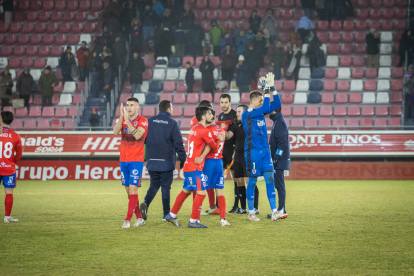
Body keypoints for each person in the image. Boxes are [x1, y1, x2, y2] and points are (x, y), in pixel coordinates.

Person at [165, 106, 224, 228]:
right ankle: (193, 221)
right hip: (195, 167)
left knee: (186, 191)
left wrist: (202, 155)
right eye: (209, 114)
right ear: (203, 117)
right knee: (202, 193)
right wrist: (219, 139)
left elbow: (205, 145)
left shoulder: (193, 129)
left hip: (189, 165)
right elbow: (214, 147)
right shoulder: (204, 130)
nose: (211, 116)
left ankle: (171, 214)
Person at [241, 73, 282, 221]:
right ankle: (251, 212)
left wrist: (272, 88)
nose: (263, 101)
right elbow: (266, 105)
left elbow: (277, 104)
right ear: (253, 101)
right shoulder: (247, 114)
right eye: (260, 99)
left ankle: (274, 210)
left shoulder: (261, 112)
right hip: (252, 151)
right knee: (252, 181)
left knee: (270, 178)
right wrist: (266, 90)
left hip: (265, 151)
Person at [140, 100, 187, 221]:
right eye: (171, 107)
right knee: (166, 187)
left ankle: (146, 203)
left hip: (152, 161)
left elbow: (143, 140)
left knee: (154, 184)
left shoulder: (149, 121)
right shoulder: (172, 123)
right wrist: (183, 159)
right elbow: (178, 144)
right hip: (166, 161)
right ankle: (166, 213)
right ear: (168, 109)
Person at [113, 97, 148, 229]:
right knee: (129, 191)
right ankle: (139, 218)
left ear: (137, 107)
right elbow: (115, 132)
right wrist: (122, 119)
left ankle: (127, 220)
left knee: (133, 189)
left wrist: (128, 121)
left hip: (136, 159)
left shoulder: (143, 121)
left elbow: (138, 135)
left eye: (132, 105)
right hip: (124, 159)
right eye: (128, 105)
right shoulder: (122, 119)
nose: (129, 107)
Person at [225, 105, 260, 214]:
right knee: (239, 181)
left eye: (239, 112)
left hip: (249, 154)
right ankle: (243, 207)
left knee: (249, 181)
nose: (237, 113)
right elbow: (227, 136)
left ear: (245, 112)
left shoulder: (251, 124)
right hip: (238, 155)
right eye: (237, 112)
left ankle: (255, 207)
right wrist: (222, 128)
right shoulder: (236, 125)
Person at [202, 112, 231, 226]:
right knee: (220, 191)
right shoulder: (221, 130)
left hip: (208, 162)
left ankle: (195, 216)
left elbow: (208, 148)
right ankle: (223, 219)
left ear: (212, 117)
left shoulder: (206, 130)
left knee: (201, 189)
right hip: (219, 162)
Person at [217, 94, 238, 213]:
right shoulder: (220, 115)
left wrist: (222, 131)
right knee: (219, 178)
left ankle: (236, 205)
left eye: (225, 102)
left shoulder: (234, 115)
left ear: (230, 102)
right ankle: (217, 205)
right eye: (221, 102)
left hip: (232, 150)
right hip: (222, 150)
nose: (223, 105)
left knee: (236, 178)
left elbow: (231, 135)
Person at [267, 107, 290, 220]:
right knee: (278, 184)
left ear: (274, 110)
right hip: (279, 159)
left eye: (269, 109)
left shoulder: (279, 122)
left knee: (280, 185)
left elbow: (282, 143)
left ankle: (281, 209)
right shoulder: (278, 120)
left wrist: (276, 158)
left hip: (279, 160)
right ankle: (281, 208)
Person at [0, 111, 23, 223]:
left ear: (1, 120)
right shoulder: (16, 136)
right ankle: (7, 217)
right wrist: (12, 162)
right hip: (9, 168)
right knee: (9, 192)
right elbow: (19, 154)